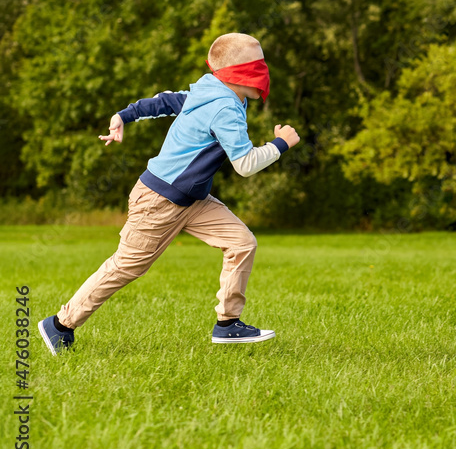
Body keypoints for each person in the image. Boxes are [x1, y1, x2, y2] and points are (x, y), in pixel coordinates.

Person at [38, 33, 300, 355]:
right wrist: (281, 144)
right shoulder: (223, 107)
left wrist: (124, 115)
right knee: (125, 267)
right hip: (159, 201)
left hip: (193, 200)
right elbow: (245, 164)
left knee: (241, 243)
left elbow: (164, 102)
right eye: (257, 64)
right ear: (237, 71)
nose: (264, 71)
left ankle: (228, 325)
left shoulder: (212, 90)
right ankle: (60, 325)